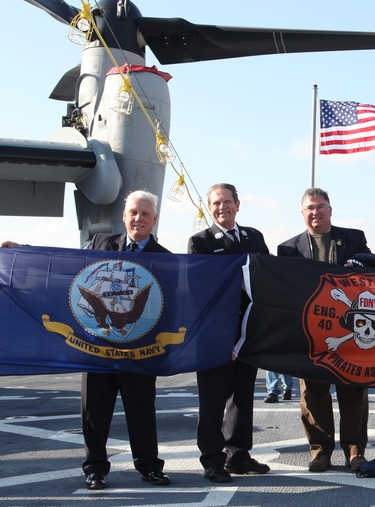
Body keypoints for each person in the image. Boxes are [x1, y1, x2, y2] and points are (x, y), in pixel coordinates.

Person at [278, 187, 375, 472]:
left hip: (351, 330)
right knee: (313, 393)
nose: (316, 212)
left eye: (321, 206)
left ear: (330, 209)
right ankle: (320, 451)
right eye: (310, 208)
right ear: (303, 213)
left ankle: (354, 450)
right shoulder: (287, 248)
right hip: (310, 332)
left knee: (353, 391)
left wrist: (361, 262)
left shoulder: (353, 238)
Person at [80, 190, 170, 490]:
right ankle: (95, 469)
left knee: (141, 410)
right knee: (95, 411)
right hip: (99, 348)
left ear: (154, 220)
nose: (138, 218)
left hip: (140, 351)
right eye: (133, 212)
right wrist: (21, 250)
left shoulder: (167, 260)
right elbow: (68, 269)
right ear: (124, 215)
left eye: (145, 214)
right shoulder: (100, 244)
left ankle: (149, 467)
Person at [188, 183, 272, 483]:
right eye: (215, 203)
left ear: (238, 204)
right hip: (215, 334)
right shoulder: (200, 242)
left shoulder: (253, 237)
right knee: (212, 399)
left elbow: (267, 277)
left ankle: (238, 454)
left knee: (242, 396)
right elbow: (201, 290)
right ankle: (212, 459)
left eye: (227, 202)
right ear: (209, 208)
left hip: (248, 331)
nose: (222, 207)